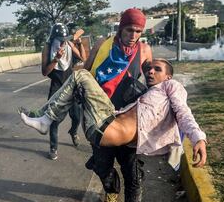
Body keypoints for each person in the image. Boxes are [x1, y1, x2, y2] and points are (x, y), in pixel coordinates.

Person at [19, 58, 207, 168]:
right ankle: (45, 118)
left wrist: (198, 138)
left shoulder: (171, 86)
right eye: (149, 68)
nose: (150, 72)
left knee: (81, 75)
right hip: (107, 122)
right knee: (78, 83)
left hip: (107, 130)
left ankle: (46, 119)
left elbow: (183, 111)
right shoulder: (148, 93)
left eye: (157, 69)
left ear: (168, 76)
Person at [81, 8, 152, 202]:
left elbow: (152, 80)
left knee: (134, 175)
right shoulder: (102, 45)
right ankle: (111, 189)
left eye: (138, 31)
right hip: (101, 118)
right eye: (130, 30)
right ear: (121, 28)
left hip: (128, 121)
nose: (133, 36)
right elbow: (86, 74)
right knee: (103, 167)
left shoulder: (145, 50)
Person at [40, 23, 86, 160]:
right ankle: (53, 147)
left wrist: (79, 44)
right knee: (54, 120)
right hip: (56, 87)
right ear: (53, 37)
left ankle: (73, 132)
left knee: (77, 116)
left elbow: (83, 59)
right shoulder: (47, 49)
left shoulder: (69, 45)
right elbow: (44, 72)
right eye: (59, 39)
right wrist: (56, 59)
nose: (62, 41)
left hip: (71, 85)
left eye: (64, 38)